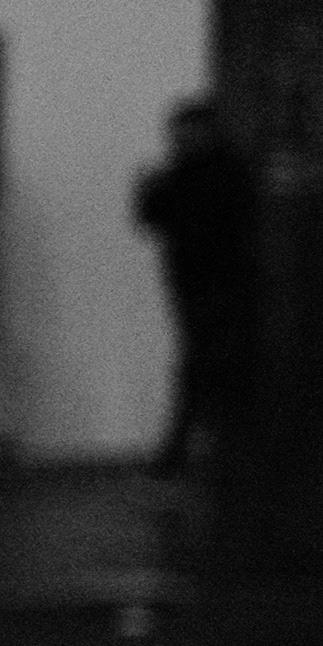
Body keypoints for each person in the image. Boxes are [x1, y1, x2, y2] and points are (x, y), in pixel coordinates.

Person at [134, 96, 257, 476]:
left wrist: (154, 189)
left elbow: (165, 218)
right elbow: (154, 218)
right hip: (202, 280)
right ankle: (213, 451)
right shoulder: (210, 171)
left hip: (213, 279)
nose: (179, 139)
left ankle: (180, 453)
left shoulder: (208, 173)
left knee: (203, 363)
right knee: (209, 363)